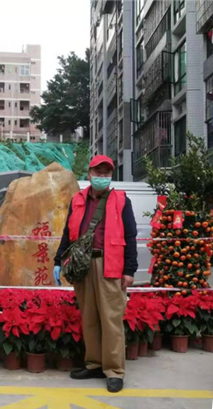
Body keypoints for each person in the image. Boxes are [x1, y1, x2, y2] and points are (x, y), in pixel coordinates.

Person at [54, 155, 138, 393]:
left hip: (109, 265)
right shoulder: (78, 199)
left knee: (111, 319)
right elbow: (68, 232)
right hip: (82, 265)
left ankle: (114, 371)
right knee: (89, 317)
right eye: (98, 172)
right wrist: (58, 260)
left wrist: (129, 269)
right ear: (89, 174)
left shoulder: (121, 200)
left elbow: (130, 235)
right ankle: (94, 364)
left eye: (106, 173)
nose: (102, 177)